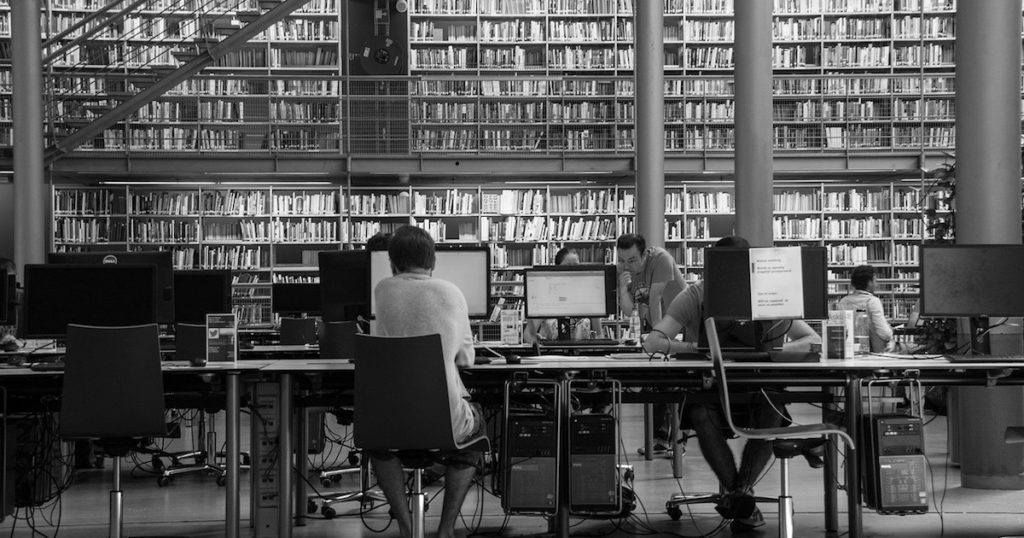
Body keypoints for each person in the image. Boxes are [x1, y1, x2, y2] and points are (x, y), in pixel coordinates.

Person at [642, 236, 823, 533]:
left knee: (772, 409)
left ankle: (739, 494)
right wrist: (698, 349)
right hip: (710, 386)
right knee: (701, 412)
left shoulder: (766, 292)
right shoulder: (695, 294)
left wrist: (772, 352)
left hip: (756, 385)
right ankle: (742, 495)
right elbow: (653, 342)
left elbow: (812, 339)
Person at [369, 225, 485, 538]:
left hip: (391, 422)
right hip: (445, 421)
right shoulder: (452, 292)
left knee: (378, 444)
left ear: (392, 263)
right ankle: (446, 529)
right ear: (432, 262)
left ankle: (406, 527)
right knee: (473, 437)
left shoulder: (382, 290)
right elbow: (466, 359)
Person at [616, 234, 687, 456]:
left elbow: (655, 299)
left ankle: (678, 441)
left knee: (672, 384)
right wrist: (622, 287)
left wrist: (657, 339)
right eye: (622, 260)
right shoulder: (628, 271)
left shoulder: (660, 259)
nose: (627, 265)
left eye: (632, 260)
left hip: (682, 324)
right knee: (655, 382)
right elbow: (628, 311)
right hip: (660, 327)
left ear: (644, 254)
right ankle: (660, 439)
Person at [525, 247, 603, 342]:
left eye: (576, 266)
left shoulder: (589, 296)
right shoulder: (545, 296)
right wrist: (536, 342)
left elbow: (599, 335)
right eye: (567, 266)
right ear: (557, 268)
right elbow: (528, 334)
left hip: (583, 351)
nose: (572, 271)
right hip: (551, 351)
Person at [837, 265, 894, 353]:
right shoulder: (873, 301)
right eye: (875, 281)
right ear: (869, 282)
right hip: (870, 353)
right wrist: (891, 333)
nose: (877, 285)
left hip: (847, 351)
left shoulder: (843, 302)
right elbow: (884, 333)